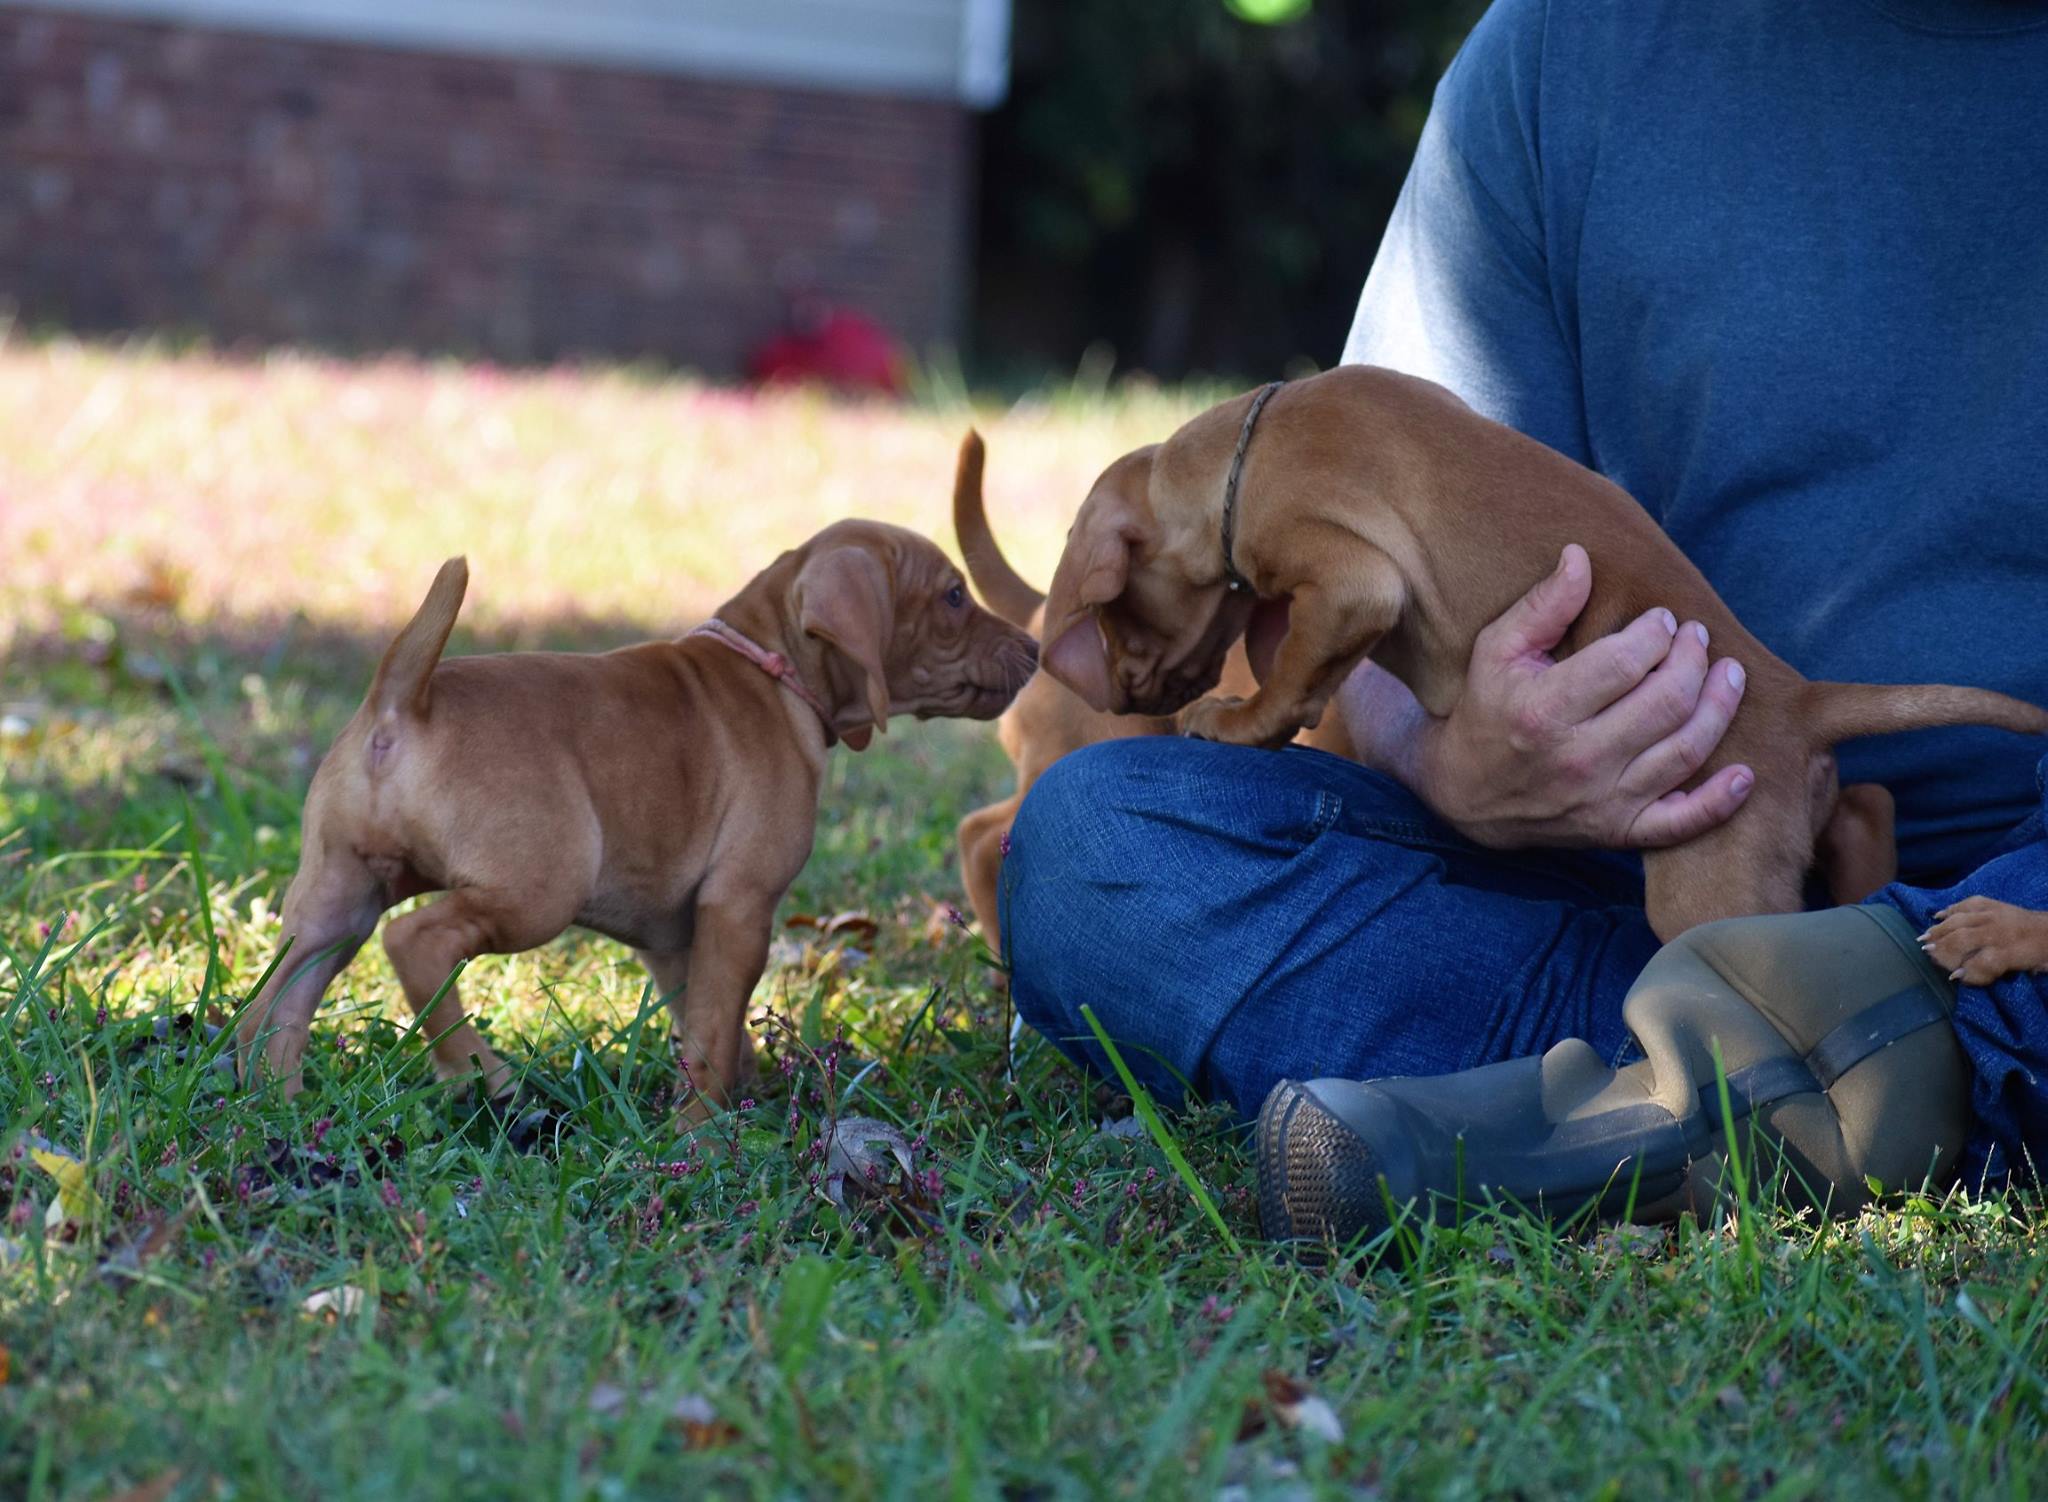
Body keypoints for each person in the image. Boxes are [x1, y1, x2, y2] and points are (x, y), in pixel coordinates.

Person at [999, 0, 2048, 1215]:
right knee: (1097, 844)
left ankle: (1699, 1092)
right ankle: (1846, 1070)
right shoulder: (1569, 46)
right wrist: (1454, 764)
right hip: (1647, 881)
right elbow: (1386, 575)